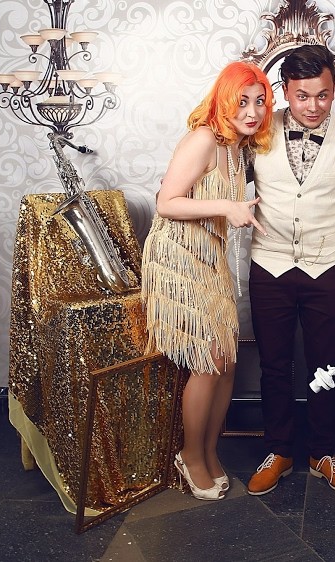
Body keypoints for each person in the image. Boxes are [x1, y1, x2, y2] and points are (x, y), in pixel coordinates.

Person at [141, 61, 274, 500]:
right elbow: (166, 203)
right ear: (224, 99)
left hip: (208, 256)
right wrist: (226, 207)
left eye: (260, 102)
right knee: (210, 359)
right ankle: (189, 456)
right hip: (177, 256)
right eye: (243, 101)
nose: (252, 111)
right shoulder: (204, 139)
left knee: (228, 359)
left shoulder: (237, 147)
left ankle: (209, 452)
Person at [246, 44, 335, 496]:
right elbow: (221, 174)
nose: (313, 106)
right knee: (274, 364)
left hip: (326, 265)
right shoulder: (258, 130)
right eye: (302, 96)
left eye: (323, 95)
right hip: (269, 264)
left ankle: (322, 453)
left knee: (326, 363)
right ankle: (278, 450)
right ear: (285, 91)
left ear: (334, 90)